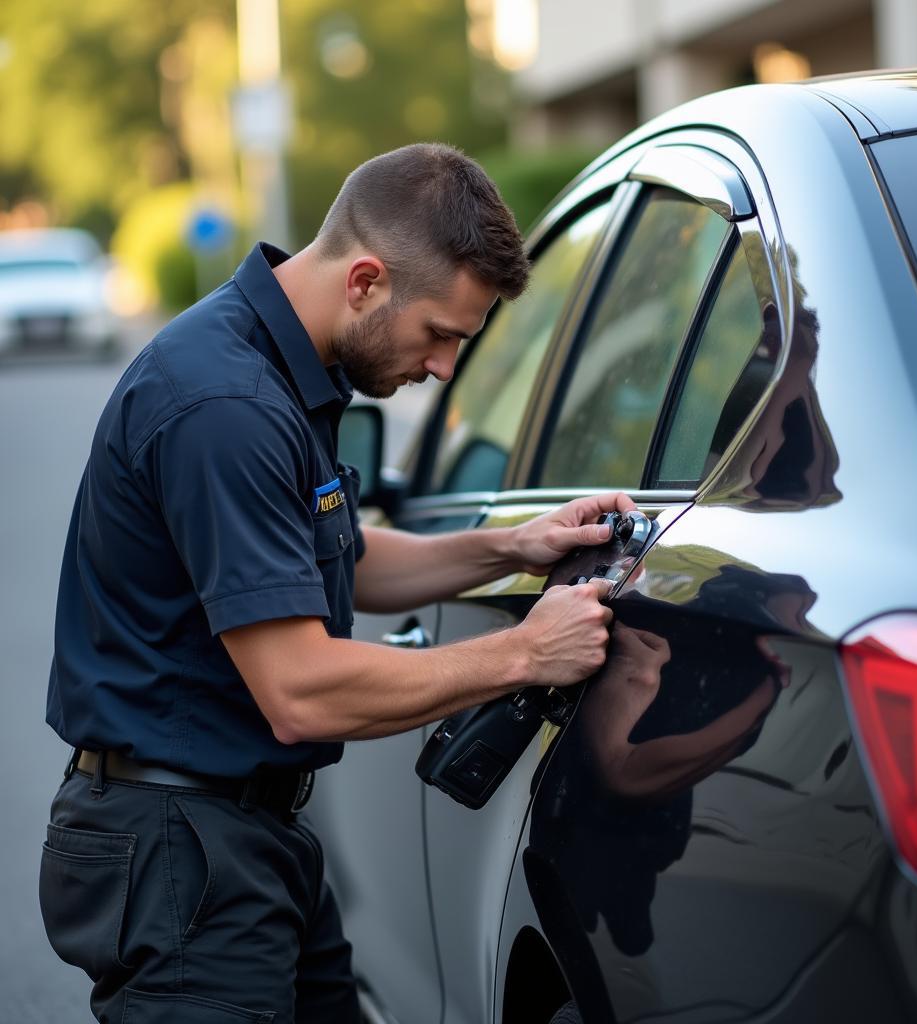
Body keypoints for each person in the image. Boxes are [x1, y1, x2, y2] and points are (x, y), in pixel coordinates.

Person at [40, 143, 633, 1024]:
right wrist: (525, 653)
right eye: (440, 335)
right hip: (182, 855)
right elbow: (302, 692)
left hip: (246, 838)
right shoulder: (226, 406)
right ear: (364, 281)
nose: (441, 369)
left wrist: (513, 547)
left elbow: (336, 559)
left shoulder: (281, 367)